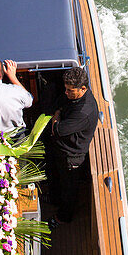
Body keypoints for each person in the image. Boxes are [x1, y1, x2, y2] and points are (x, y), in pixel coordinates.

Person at [47, 67, 99, 225]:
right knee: (58, 177)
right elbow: (59, 105)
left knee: (69, 188)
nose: (66, 93)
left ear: (83, 88)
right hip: (61, 150)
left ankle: (63, 217)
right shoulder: (71, 97)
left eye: (70, 90)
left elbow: (58, 129)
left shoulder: (84, 112)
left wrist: (56, 114)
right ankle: (54, 198)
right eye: (65, 89)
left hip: (72, 156)